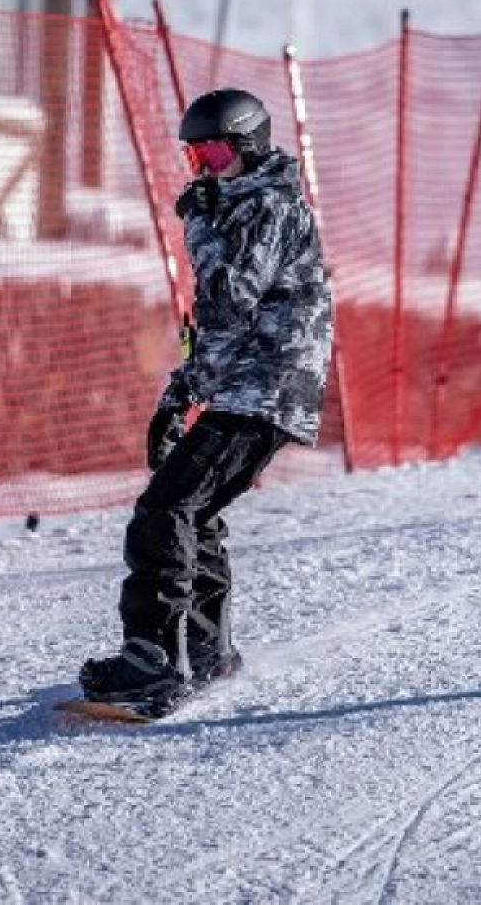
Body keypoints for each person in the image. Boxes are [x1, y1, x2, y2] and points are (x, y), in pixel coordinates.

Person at [79, 88, 334, 716]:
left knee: (164, 510)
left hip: (265, 387)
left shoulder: (268, 207)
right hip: (253, 385)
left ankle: (154, 660)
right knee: (192, 508)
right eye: (196, 158)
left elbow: (226, 301)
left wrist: (198, 224)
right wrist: (181, 396)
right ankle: (204, 647)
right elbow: (219, 328)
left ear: (250, 146)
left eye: (217, 154)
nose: (206, 170)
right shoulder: (240, 206)